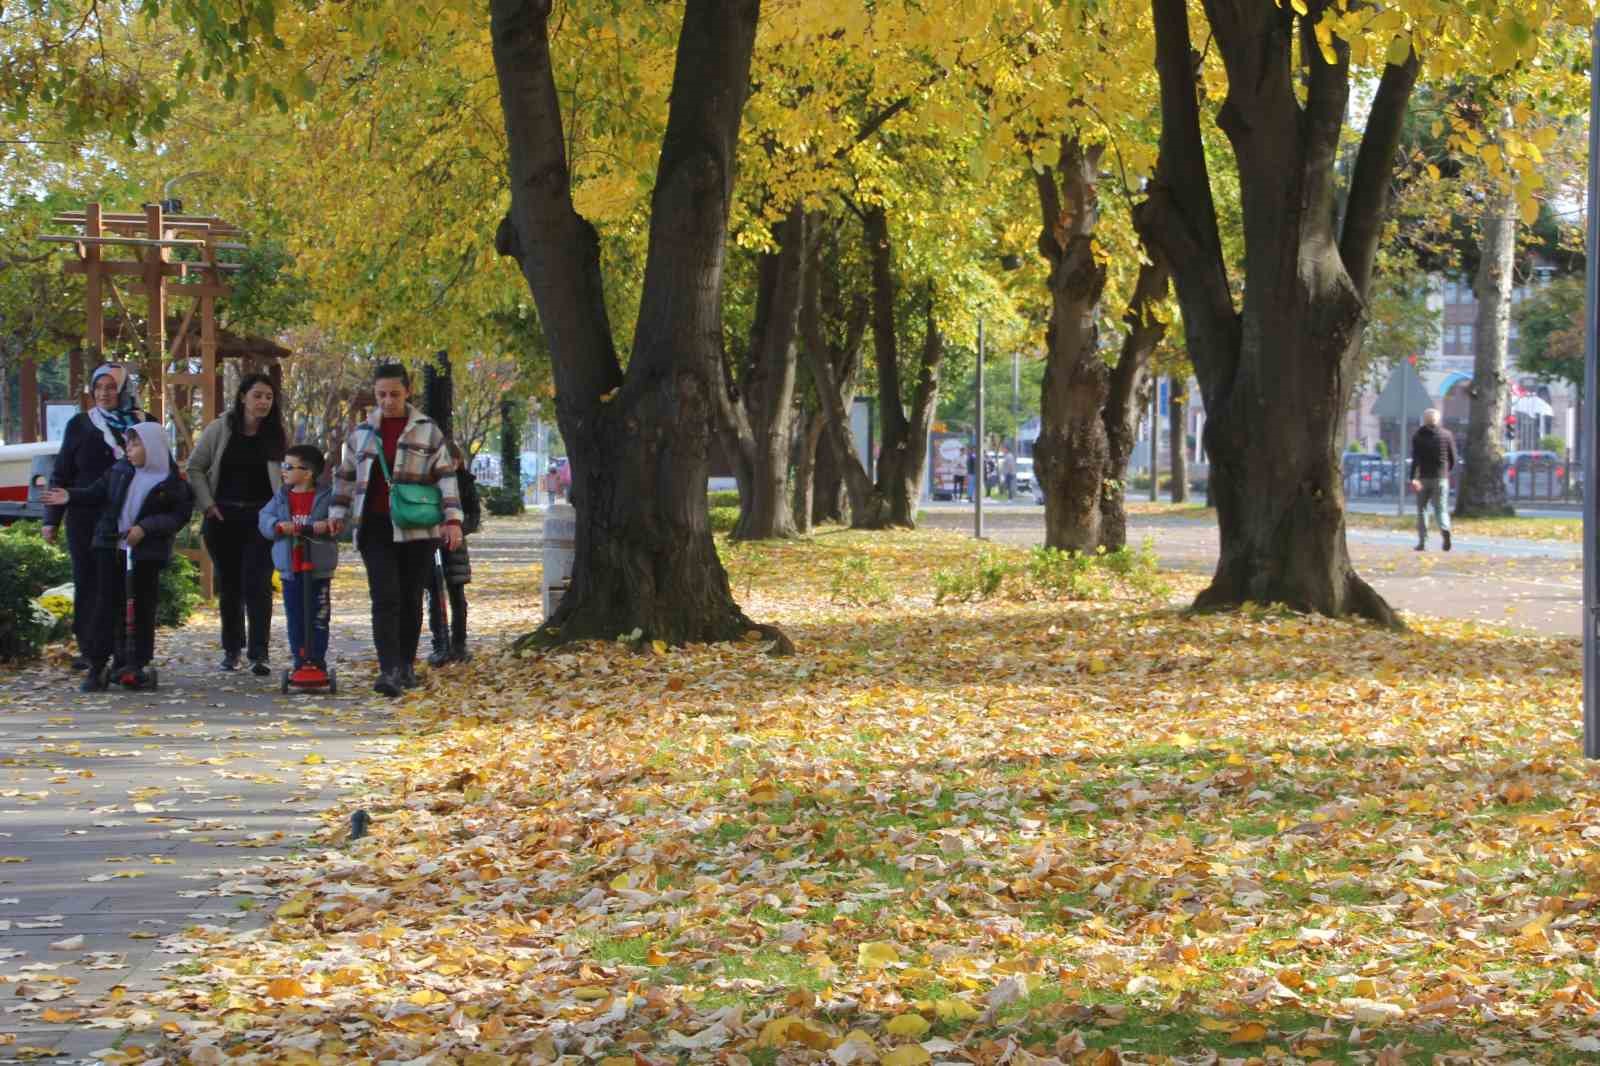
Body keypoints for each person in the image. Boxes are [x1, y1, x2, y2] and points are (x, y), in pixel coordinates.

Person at [328, 363, 464, 697]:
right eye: (381, 395)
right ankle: (388, 669)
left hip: (417, 527)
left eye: (394, 394)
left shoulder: (426, 430)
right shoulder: (362, 433)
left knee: (410, 596)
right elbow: (345, 475)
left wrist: (453, 520)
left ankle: (405, 664)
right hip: (374, 526)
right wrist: (337, 510)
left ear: (407, 392)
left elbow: (446, 475)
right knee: (384, 596)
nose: (388, 401)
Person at [43, 423, 193, 692]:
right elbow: (95, 493)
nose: (129, 450)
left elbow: (178, 516)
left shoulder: (171, 483)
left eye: (135, 445)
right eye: (128, 444)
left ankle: (134, 662)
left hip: (144, 553)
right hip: (110, 547)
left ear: (153, 448)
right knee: (105, 604)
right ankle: (98, 663)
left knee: (141, 605)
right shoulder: (119, 471)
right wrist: (69, 496)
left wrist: (145, 528)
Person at [42, 364, 150, 671]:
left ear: (124, 389)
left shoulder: (143, 423)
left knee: (125, 583)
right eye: (99, 387)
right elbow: (61, 471)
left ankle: (125, 652)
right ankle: (92, 651)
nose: (104, 393)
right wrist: (52, 518)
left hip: (128, 517)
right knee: (89, 583)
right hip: (85, 518)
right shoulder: (80, 424)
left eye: (111, 387)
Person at [188, 373, 285, 674]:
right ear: (243, 397)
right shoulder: (220, 428)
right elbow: (195, 467)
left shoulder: (277, 434)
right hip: (223, 519)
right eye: (257, 395)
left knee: (258, 584)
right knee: (229, 586)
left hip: (261, 520)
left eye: (268, 397)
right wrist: (208, 505)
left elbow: (288, 475)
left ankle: (259, 652)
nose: (263, 402)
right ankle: (232, 650)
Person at [258, 445, 338, 673]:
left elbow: (343, 521)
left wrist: (328, 525)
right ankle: (300, 659)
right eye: (283, 465)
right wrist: (277, 526)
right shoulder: (282, 496)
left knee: (319, 615)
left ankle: (318, 659)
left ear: (308, 472)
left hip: (318, 569)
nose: (283, 470)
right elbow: (264, 517)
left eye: (289, 466)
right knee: (295, 615)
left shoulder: (326, 496)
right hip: (291, 568)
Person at [427, 440, 480, 666]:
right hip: (430, 545)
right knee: (434, 596)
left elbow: (473, 516)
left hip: (455, 546)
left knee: (457, 597)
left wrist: (457, 529)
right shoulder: (429, 483)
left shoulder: (465, 484)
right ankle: (440, 643)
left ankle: (459, 643)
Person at [1409, 407, 1457, 552]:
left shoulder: (1418, 436)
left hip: (1423, 478)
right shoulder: (1446, 435)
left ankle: (1422, 542)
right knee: (1441, 508)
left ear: (1424, 420)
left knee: (1422, 510)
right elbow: (1453, 458)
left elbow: (1415, 459)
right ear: (1438, 419)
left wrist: (1412, 478)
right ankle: (1445, 529)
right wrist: (1446, 472)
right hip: (1441, 477)